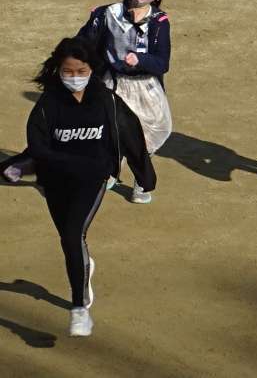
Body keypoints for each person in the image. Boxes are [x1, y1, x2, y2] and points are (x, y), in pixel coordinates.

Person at [8, 36, 156, 336]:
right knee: (68, 238)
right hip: (55, 181)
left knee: (73, 234)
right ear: (58, 70)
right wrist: (21, 165)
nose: (74, 77)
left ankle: (79, 309)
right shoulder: (48, 105)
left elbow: (131, 136)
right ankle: (84, 269)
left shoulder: (106, 102)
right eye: (68, 71)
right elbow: (37, 147)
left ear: (92, 69)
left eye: (81, 71)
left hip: (93, 178)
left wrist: (145, 178)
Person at [77, 0, 172, 204]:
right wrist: (93, 23)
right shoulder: (108, 14)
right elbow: (82, 45)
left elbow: (162, 63)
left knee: (141, 139)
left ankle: (141, 182)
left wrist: (141, 60)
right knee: (111, 132)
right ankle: (111, 171)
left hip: (145, 90)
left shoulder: (159, 23)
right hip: (113, 85)